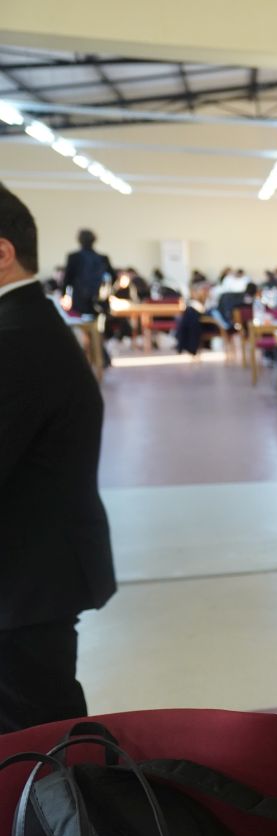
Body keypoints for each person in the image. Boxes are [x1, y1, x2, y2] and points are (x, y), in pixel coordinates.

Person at [0, 184, 116, 734]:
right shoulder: (24, 324)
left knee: (35, 749)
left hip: (24, 584)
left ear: (3, 252)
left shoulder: (17, 338)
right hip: (31, 575)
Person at [61, 227, 112, 316]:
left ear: (79, 240)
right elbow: (113, 277)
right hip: (99, 300)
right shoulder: (103, 258)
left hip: (79, 301)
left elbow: (67, 279)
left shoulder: (74, 257)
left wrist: (64, 294)